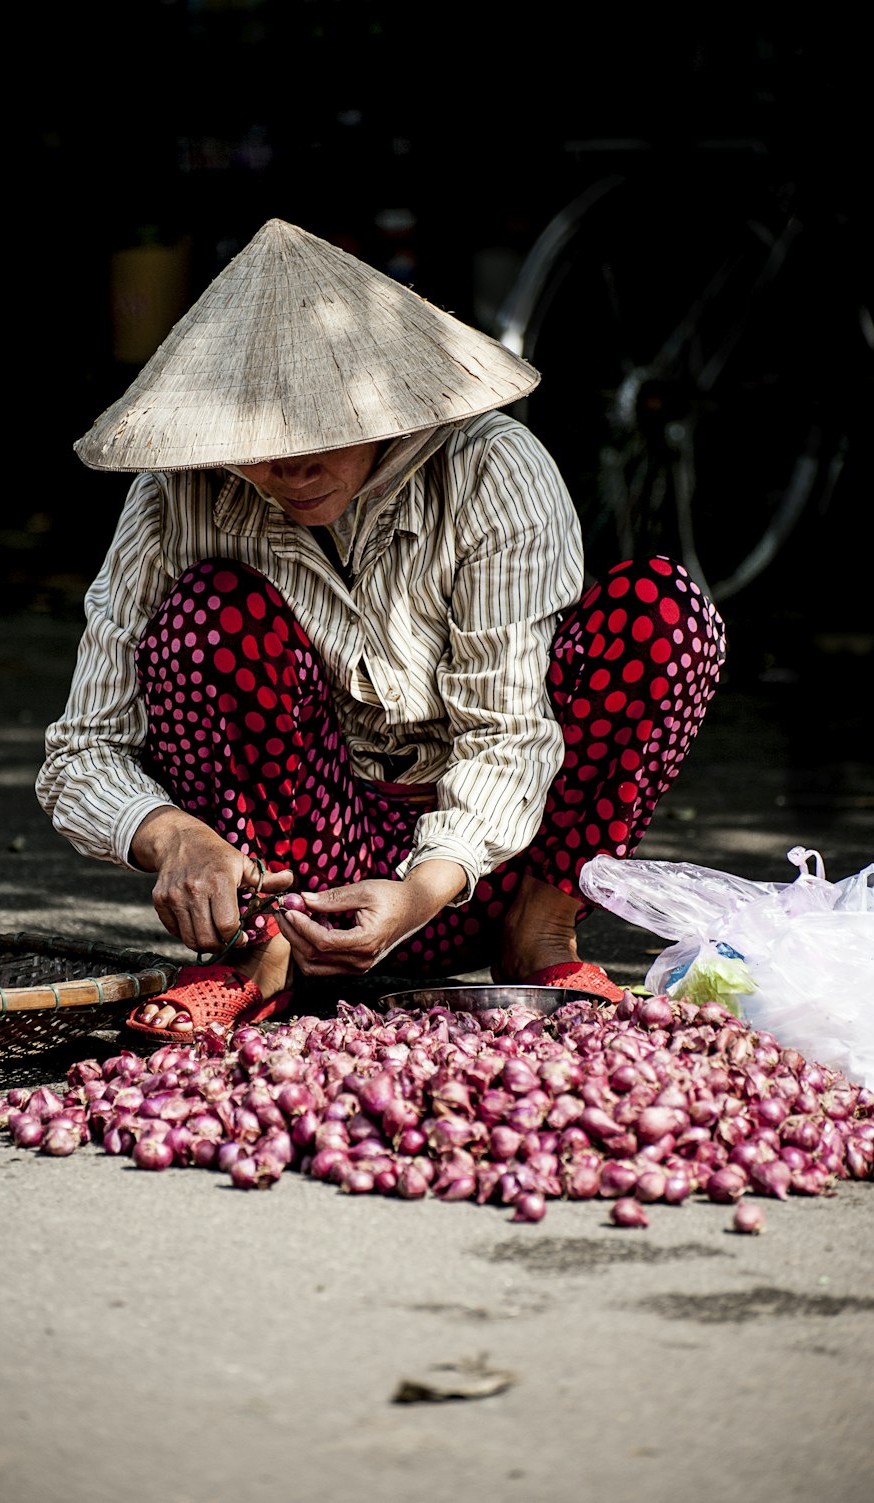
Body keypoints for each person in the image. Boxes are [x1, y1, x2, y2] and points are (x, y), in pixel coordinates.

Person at [37, 218, 726, 1041]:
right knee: (212, 614)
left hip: (495, 868)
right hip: (301, 877)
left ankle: (539, 935)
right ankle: (258, 958)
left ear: (388, 404)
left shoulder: (491, 470)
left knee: (665, 612)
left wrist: (424, 888)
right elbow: (83, 750)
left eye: (324, 432)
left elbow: (507, 735)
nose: (292, 469)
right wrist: (173, 836)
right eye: (262, 443)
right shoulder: (173, 499)